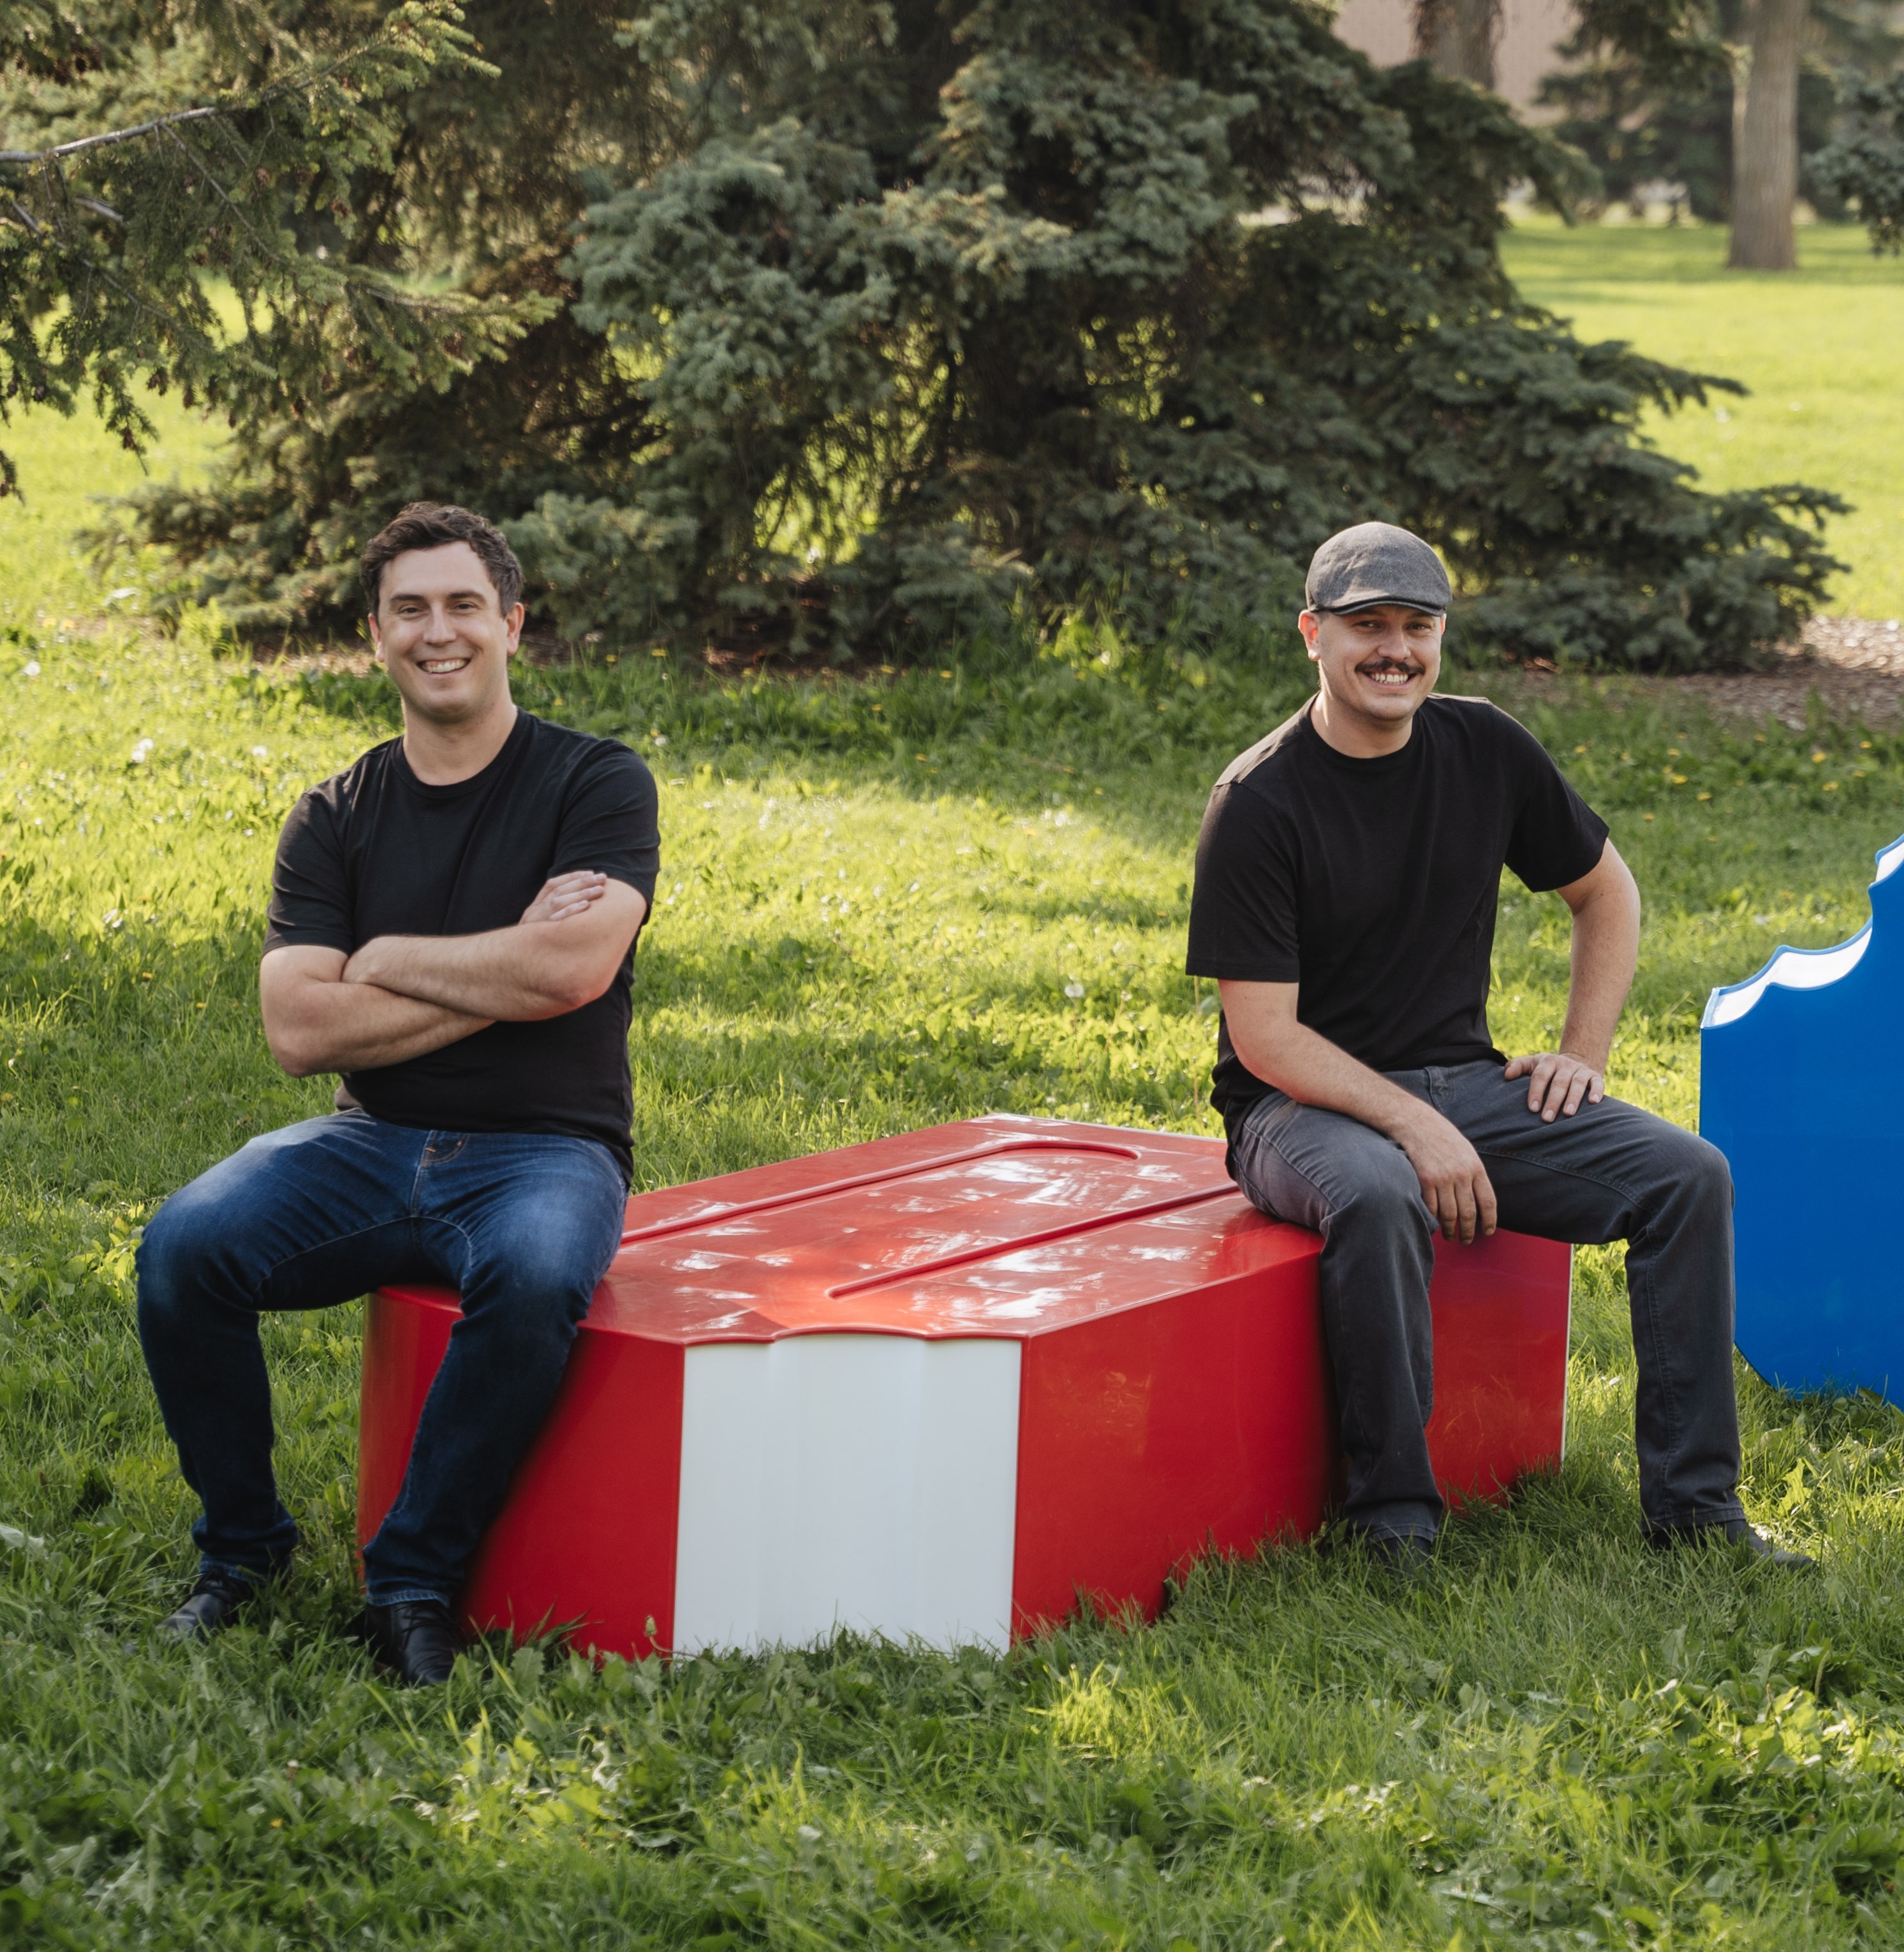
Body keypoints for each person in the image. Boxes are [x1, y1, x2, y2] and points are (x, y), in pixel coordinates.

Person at [1186, 521, 1808, 1570]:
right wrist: (1414, 1123)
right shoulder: (1257, 802)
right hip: (1294, 1109)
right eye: (1365, 627)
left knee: (1686, 1176)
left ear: (1439, 637)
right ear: (1312, 635)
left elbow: (1604, 891)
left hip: (1464, 1085)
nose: (1393, 651)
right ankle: (1392, 1526)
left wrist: (1581, 1049)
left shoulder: (1485, 747)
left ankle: (1696, 1516)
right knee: (1379, 1192)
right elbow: (1265, 1036)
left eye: (1415, 627)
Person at [135, 502, 660, 1682]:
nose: (441, 633)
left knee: (531, 1276)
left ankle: (411, 1578)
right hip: (371, 1142)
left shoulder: (597, 783)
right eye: (410, 609)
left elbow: (574, 967)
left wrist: (384, 958)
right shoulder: (334, 812)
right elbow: (296, 1026)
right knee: (182, 1251)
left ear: (511, 624)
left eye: (464, 605)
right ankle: (243, 1550)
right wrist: (504, 967)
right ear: (375, 634)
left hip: (548, 1147)